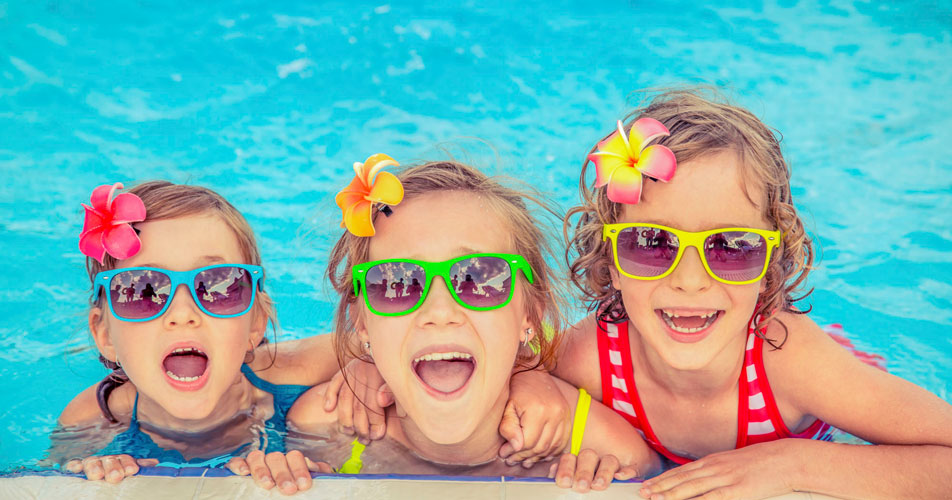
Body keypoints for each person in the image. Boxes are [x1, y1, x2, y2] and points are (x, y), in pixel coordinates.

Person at [554, 89, 952, 499]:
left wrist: (793, 462)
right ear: (611, 259)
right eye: (651, 242)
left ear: (770, 266)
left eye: (731, 246)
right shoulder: (592, 358)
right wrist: (540, 392)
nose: (690, 281)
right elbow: (503, 373)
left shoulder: (791, 361)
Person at [227, 159, 660, 494]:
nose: (439, 311)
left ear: (530, 315)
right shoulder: (327, 429)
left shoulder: (601, 446)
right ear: (362, 325)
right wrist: (281, 474)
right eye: (397, 283)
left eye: (479, 278)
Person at [51, 181, 343, 483]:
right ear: (105, 336)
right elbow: (48, 479)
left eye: (219, 285)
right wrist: (93, 469)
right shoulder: (90, 419)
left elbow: (367, 344)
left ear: (256, 323)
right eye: (143, 290)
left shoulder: (296, 370)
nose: (183, 314)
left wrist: (364, 370)